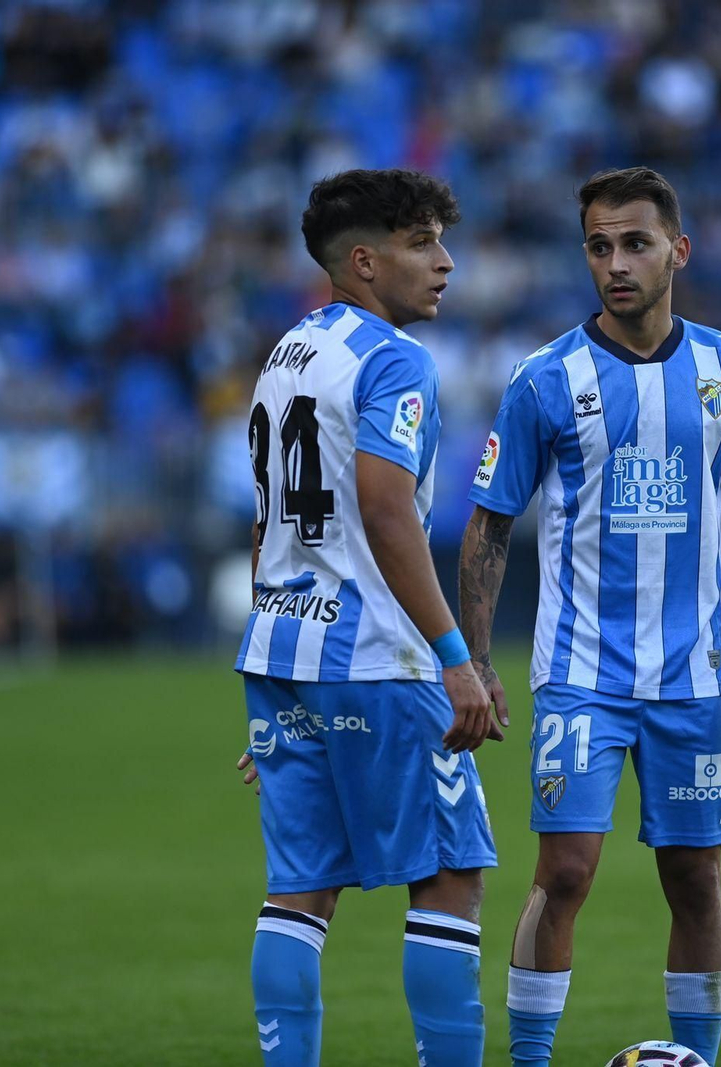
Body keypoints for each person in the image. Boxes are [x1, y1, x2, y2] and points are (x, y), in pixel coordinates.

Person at [457, 166, 721, 1067]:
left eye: (636, 243)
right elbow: (489, 524)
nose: (616, 263)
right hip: (581, 675)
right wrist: (477, 658)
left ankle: (700, 1059)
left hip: (693, 676)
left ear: (677, 250)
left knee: (695, 877)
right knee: (564, 872)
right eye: (600, 246)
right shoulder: (545, 380)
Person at [234, 168, 502, 1067]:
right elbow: (386, 508)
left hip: (284, 645)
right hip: (378, 656)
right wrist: (455, 657)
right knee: (450, 873)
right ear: (363, 260)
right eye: (422, 244)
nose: (445, 263)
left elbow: (271, 514)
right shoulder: (396, 360)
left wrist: (292, 697)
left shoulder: (288, 353)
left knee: (301, 890)